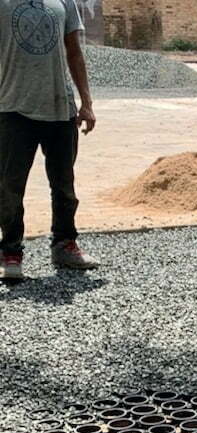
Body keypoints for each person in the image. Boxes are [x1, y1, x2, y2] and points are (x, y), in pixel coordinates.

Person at [1, 0, 97, 281]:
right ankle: (11, 252)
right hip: (12, 108)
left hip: (60, 109)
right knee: (9, 186)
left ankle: (64, 244)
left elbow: (75, 52)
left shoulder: (64, 2)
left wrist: (86, 103)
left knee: (64, 185)